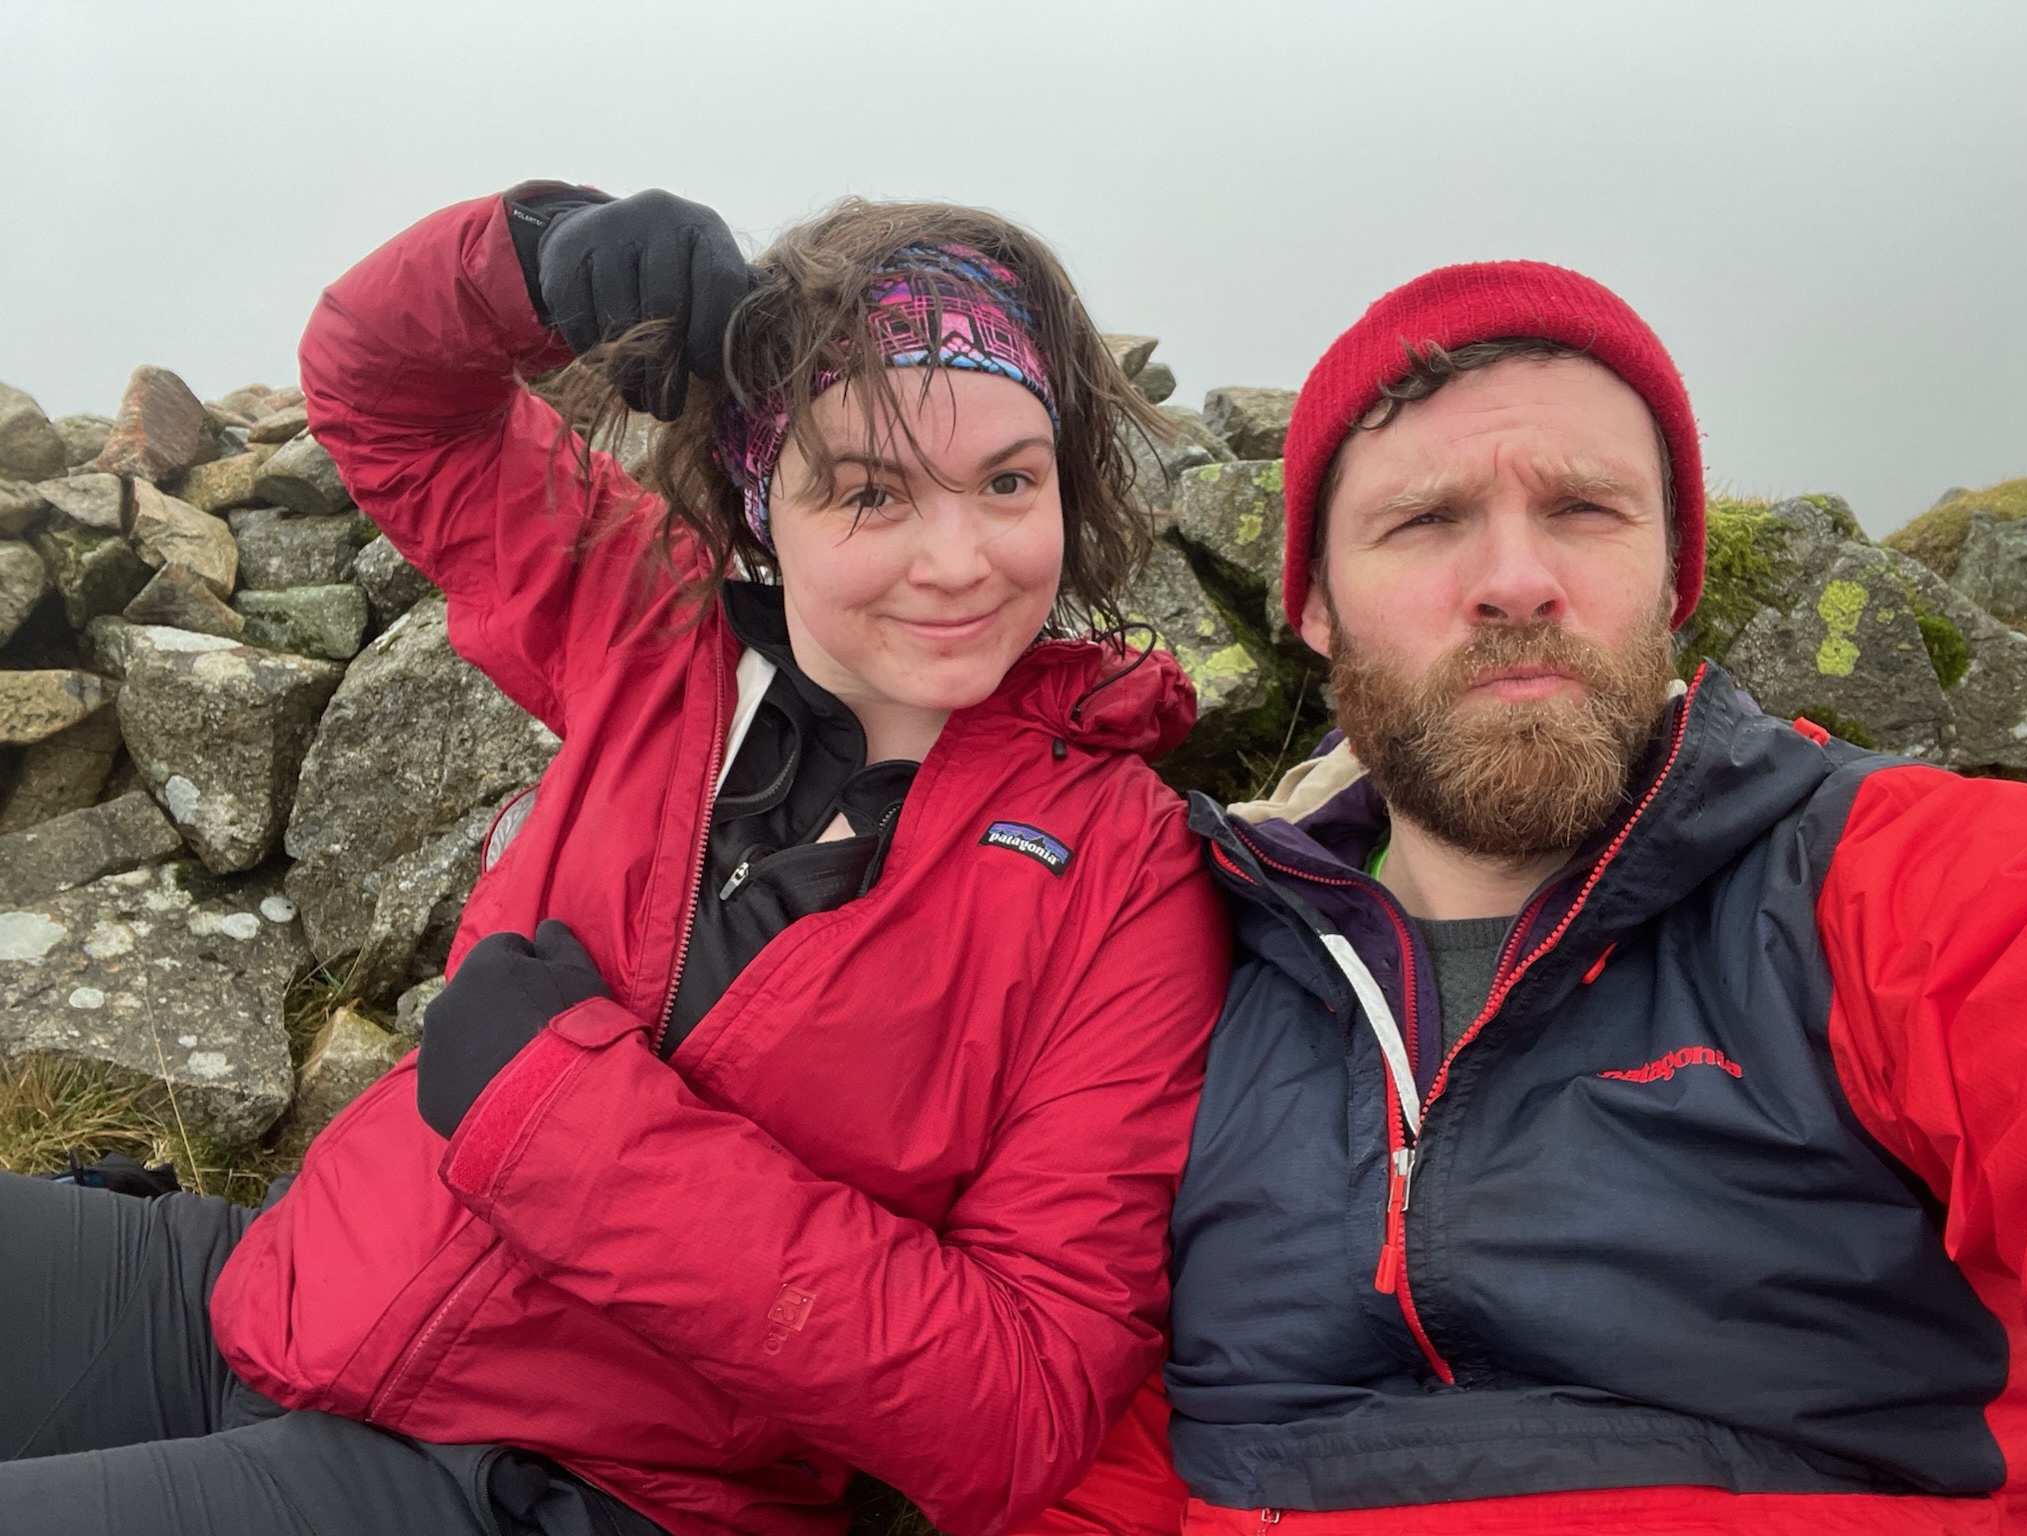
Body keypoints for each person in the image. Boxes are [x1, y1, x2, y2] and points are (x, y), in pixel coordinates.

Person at [0, 182, 1229, 1535]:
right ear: (763, 501)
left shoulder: (1127, 882)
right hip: (279, 1281)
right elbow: (382, 393)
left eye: (1008, 480)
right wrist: (533, 258)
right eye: (871, 492)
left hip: (581, 1486)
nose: (959, 559)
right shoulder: (649, 627)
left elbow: (1023, 1402)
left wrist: (559, 1119)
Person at [1022, 261, 2027, 1535]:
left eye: (1583, 509)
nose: (1516, 579)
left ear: (1675, 579)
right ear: (1315, 611)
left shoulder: (1894, 882)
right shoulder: (1183, 963)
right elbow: (1103, 1454)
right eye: (1426, 521)